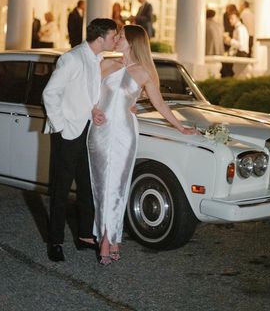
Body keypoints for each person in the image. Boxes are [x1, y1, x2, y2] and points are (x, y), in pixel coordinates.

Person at [88, 24, 198, 265]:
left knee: (118, 186)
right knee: (101, 184)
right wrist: (93, 109)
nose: (116, 39)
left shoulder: (143, 73)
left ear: (133, 42)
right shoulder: (105, 64)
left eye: (121, 37)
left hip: (125, 134)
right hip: (100, 132)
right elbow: (88, 94)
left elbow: (160, 104)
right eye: (116, 36)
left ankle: (109, 237)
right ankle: (107, 234)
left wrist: (181, 127)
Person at [42, 18, 118, 262]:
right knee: (61, 190)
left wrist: (94, 110)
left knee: (87, 186)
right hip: (67, 133)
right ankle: (55, 242)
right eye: (113, 36)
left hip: (88, 132)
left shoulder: (96, 60)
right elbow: (50, 93)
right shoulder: (72, 58)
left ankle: (85, 234)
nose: (115, 40)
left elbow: (87, 95)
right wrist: (60, 126)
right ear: (100, 39)